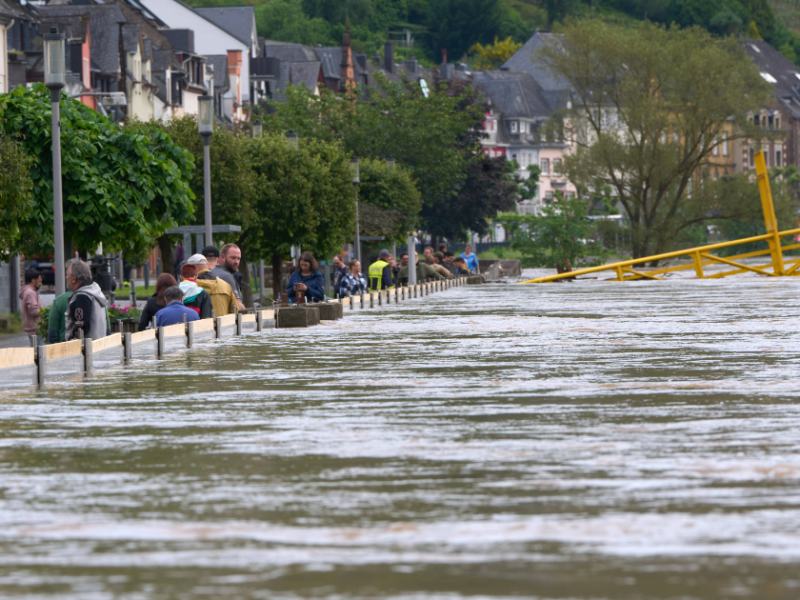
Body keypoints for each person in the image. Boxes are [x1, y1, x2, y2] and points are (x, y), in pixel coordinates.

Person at [65, 258, 109, 341]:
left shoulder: (83, 295)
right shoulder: (95, 292)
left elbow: (81, 327)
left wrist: (71, 341)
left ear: (73, 278)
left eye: (67, 275)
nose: (66, 277)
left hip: (86, 350)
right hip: (98, 346)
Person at [206, 244, 245, 311]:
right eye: (233, 258)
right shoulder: (227, 277)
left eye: (238, 258)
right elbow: (238, 307)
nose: (236, 262)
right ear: (223, 257)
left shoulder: (210, 273)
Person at [19, 268, 43, 337]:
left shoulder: (29, 292)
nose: (41, 284)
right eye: (39, 281)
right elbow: (33, 311)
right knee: (39, 348)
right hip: (35, 330)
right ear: (33, 280)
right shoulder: (30, 293)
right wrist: (46, 311)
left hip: (34, 330)